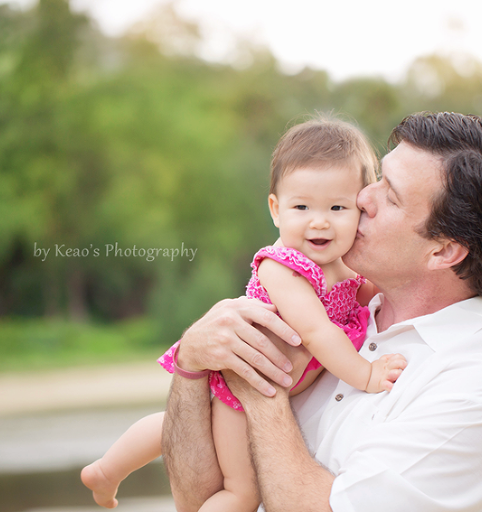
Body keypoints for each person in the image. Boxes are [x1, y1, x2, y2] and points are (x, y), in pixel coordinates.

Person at [162, 111, 482, 512]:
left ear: (443, 250)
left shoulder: (472, 393)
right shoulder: (341, 307)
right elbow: (196, 501)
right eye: (377, 179)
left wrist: (261, 389)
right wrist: (191, 364)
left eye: (390, 195)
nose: (362, 197)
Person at [80, 116, 408, 510]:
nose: (318, 221)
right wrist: (366, 374)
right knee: (240, 493)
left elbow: (370, 296)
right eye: (301, 206)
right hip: (240, 386)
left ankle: (106, 471)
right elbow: (317, 332)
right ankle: (108, 470)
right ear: (275, 208)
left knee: (178, 429)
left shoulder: (346, 266)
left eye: (337, 207)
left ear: (360, 208)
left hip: (268, 386)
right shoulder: (283, 266)